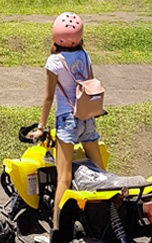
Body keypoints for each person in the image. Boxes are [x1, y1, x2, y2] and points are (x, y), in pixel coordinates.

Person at [35, 12, 105, 229]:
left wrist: (41, 127)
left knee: (63, 178)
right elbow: (91, 85)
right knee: (101, 172)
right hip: (87, 118)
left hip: (67, 121)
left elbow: (48, 98)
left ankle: (56, 228)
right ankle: (106, 218)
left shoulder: (54, 61)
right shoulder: (85, 56)